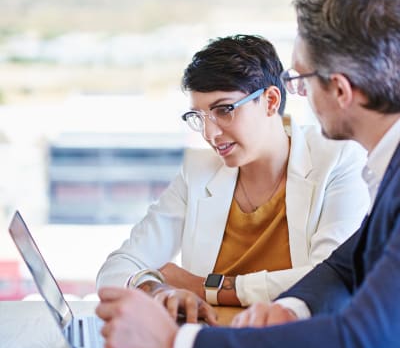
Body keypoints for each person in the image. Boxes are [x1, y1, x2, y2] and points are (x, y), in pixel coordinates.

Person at [96, 0, 400, 348]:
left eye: (300, 80)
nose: (296, 92)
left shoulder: (355, 164)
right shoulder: (389, 167)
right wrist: (289, 307)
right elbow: (342, 266)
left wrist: (175, 347)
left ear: (338, 89)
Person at [96, 34, 368, 323]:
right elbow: (117, 268)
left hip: (293, 345)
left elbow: (331, 278)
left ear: (271, 100)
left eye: (224, 110)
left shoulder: (338, 159)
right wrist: (155, 289)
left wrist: (206, 288)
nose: (209, 134)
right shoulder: (198, 171)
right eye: (199, 116)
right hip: (207, 345)